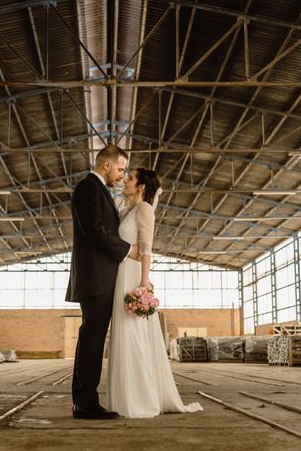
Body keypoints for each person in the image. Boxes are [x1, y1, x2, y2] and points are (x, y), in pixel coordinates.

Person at [107, 168, 203, 418]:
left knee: (134, 333)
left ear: (141, 187)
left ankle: (142, 397)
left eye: (130, 178)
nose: (125, 181)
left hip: (134, 276)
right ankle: (124, 397)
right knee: (122, 333)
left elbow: (147, 248)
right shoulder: (124, 210)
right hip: (120, 275)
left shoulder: (144, 209)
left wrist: (144, 281)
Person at [66, 145, 140, 420]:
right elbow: (94, 230)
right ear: (106, 165)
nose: (121, 176)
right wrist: (126, 249)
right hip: (95, 276)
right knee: (92, 339)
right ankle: (84, 403)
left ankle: (86, 400)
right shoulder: (88, 188)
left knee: (94, 338)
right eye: (120, 169)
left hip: (101, 275)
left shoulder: (99, 191)